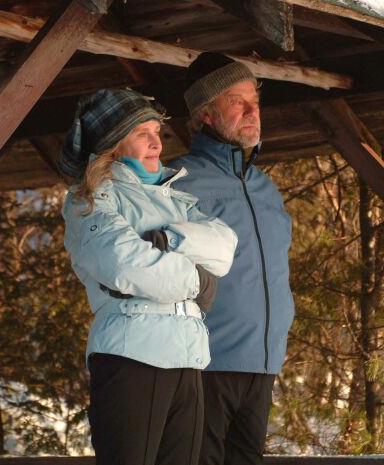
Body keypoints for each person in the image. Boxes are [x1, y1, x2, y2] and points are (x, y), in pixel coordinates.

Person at [59, 89, 238, 465]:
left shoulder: (175, 198)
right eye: (143, 133)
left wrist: (168, 240)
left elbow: (224, 248)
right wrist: (198, 282)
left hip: (188, 357)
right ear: (112, 146)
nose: (157, 142)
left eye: (157, 131)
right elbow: (126, 265)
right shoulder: (90, 198)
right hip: (132, 355)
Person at [168, 53, 295, 465]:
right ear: (205, 113)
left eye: (255, 101)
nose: (253, 112)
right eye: (238, 102)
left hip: (263, 363)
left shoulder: (265, 188)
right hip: (204, 364)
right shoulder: (178, 182)